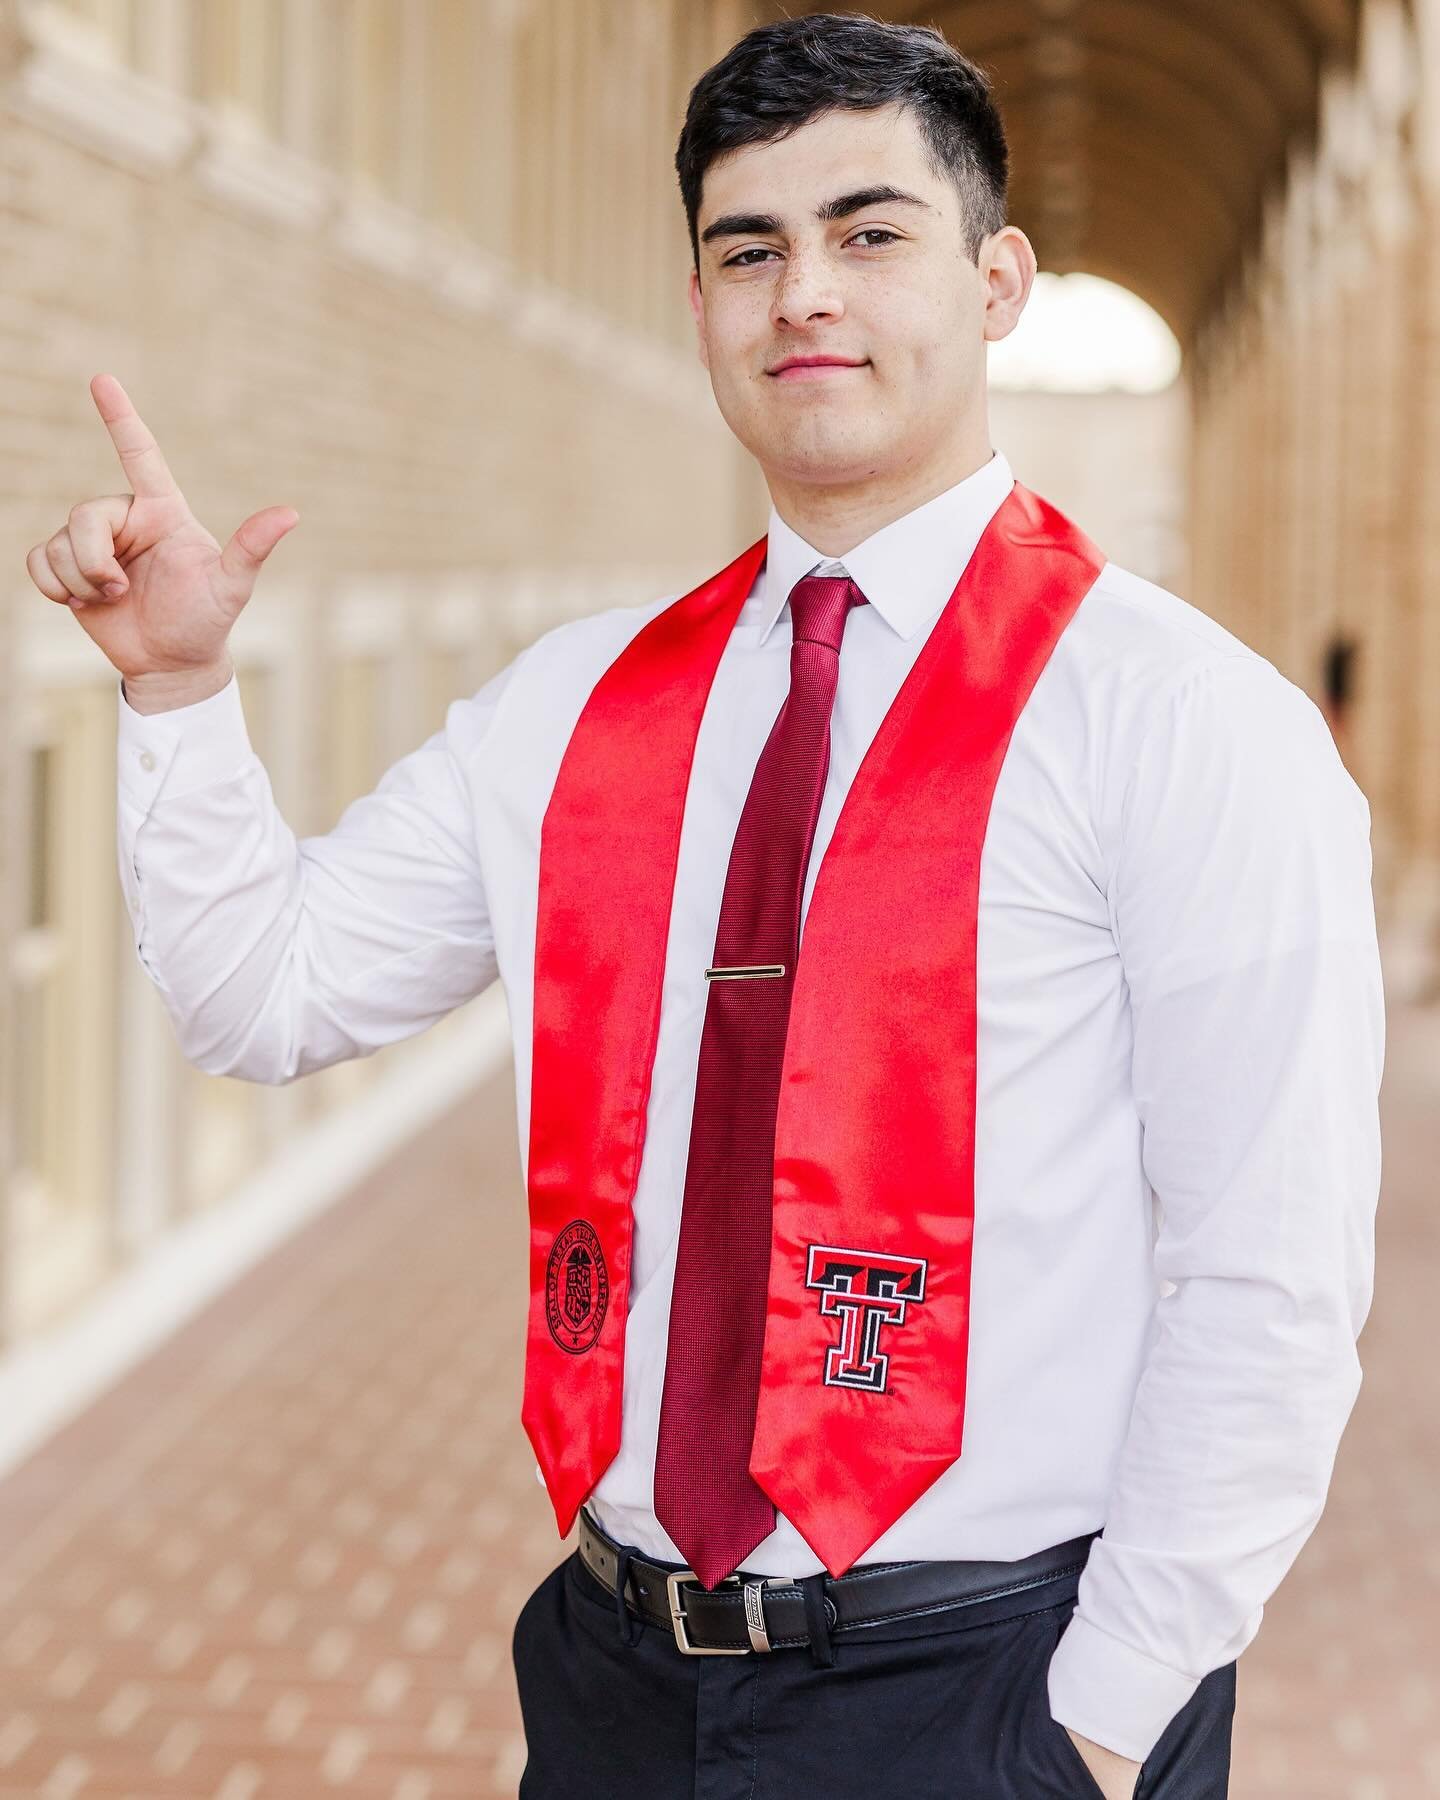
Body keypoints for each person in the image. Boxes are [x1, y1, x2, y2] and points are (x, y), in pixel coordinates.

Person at [25, 12, 1383, 1800]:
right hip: (617, 1678)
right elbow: (262, 995)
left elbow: (1268, 1269)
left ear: (996, 282)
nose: (805, 292)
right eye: (751, 251)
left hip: (988, 1682)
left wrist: (1106, 1715)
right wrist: (178, 701)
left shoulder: (1183, 721)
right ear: (701, 311)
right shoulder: (577, 707)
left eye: (870, 233)